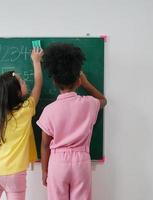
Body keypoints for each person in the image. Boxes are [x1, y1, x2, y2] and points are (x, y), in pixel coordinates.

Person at [36, 43, 107, 200]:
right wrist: (87, 84)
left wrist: (44, 170)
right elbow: (103, 100)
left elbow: (45, 145)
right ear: (78, 80)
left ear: (54, 82)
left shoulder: (49, 110)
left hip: (58, 163)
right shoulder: (89, 103)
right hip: (81, 162)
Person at [0, 48, 44, 200]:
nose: (24, 82)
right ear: (17, 93)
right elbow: (38, 85)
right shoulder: (26, 109)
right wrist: (36, 61)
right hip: (15, 174)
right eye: (22, 81)